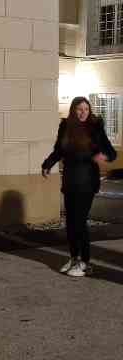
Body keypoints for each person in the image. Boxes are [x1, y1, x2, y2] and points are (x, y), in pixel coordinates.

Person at [42, 96, 117, 277]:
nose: (83, 112)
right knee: (70, 222)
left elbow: (111, 153)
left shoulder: (95, 128)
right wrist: (47, 164)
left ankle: (85, 262)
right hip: (70, 181)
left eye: (86, 109)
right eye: (79, 109)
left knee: (79, 222)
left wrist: (102, 157)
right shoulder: (65, 127)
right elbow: (59, 150)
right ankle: (74, 258)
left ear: (89, 111)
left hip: (87, 181)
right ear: (73, 110)